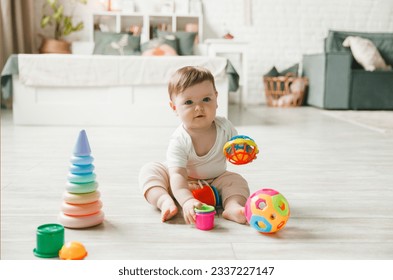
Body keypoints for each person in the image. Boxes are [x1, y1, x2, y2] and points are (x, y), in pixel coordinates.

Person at [138, 66, 249, 225]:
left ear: (216, 99)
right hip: (181, 181)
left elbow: (237, 149)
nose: (199, 107)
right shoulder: (179, 140)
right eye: (189, 102)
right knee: (149, 171)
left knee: (236, 181)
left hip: (215, 180)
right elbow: (177, 175)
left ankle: (232, 207)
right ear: (175, 107)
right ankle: (164, 201)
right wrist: (187, 200)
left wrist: (245, 150)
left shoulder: (225, 128)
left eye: (206, 99)